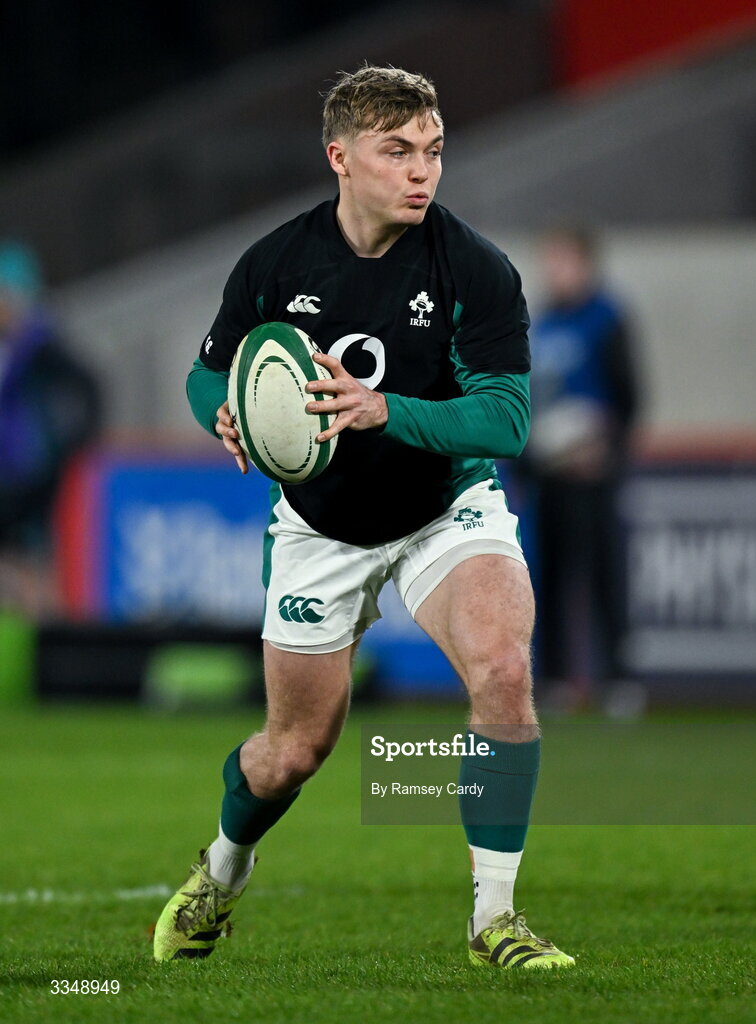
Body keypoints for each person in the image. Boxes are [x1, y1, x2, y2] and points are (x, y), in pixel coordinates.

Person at [154, 65, 574, 970]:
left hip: (441, 508)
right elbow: (206, 371)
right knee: (291, 754)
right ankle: (221, 872)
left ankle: (493, 922)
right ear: (340, 157)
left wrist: (385, 410)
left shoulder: (474, 268)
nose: (422, 172)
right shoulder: (275, 263)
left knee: (502, 668)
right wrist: (221, 411)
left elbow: (506, 419)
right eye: (397, 152)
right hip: (320, 528)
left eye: (432, 151)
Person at [526, 226, 641, 708]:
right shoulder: (542, 323)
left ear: (586, 263)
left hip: (594, 474)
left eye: (564, 260)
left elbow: (629, 396)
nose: (556, 271)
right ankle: (553, 681)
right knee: (548, 578)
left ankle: (616, 679)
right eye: (551, 261)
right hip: (549, 474)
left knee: (603, 576)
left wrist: (606, 450)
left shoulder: (607, 319)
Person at [0, 241, 101, 612]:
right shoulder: (12, 347)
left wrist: (72, 443)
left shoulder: (41, 346)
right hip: (10, 474)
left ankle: (42, 633)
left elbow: (88, 389)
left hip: (30, 471)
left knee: (37, 556)